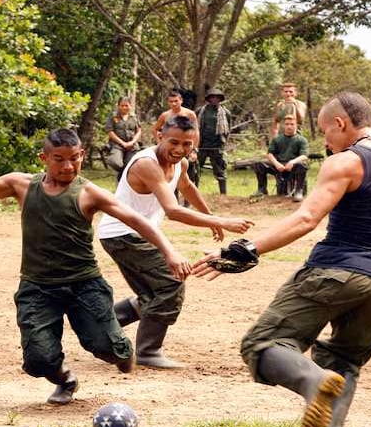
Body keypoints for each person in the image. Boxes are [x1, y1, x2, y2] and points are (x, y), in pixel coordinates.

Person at [193, 60, 371, 427]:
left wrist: (245, 249)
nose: (324, 140)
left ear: (343, 123)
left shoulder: (345, 162)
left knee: (263, 345)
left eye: (327, 130)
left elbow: (305, 219)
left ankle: (312, 383)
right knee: (344, 363)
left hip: (333, 272)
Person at [0, 128, 191, 404]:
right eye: (59, 160)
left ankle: (121, 352)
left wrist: (169, 251)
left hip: (84, 285)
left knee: (108, 347)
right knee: (38, 359)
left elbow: (137, 220)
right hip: (37, 287)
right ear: (43, 158)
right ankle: (65, 379)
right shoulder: (21, 185)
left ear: (82, 156)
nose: (68, 167)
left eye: (74, 159)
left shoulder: (89, 193)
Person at [98, 116, 254, 369]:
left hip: (137, 234)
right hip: (123, 234)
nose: (180, 149)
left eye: (187, 144)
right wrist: (223, 221)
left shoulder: (179, 163)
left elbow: (187, 187)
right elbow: (172, 210)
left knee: (154, 291)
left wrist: (211, 218)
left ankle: (101, 324)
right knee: (171, 283)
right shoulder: (147, 164)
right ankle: (148, 351)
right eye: (174, 142)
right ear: (159, 136)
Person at [252, 115, 309, 201]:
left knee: (302, 165)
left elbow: (304, 156)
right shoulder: (277, 139)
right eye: (287, 124)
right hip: (279, 166)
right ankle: (262, 189)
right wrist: (276, 164)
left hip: (293, 166)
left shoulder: (301, 140)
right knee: (259, 164)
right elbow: (270, 154)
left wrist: (293, 162)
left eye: (292, 124)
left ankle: (298, 191)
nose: (289, 126)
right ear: (283, 125)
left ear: (296, 126)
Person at [152, 89, 200, 186]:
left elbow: (196, 132)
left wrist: (194, 150)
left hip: (186, 146)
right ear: (168, 102)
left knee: (190, 171)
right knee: (170, 172)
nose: (174, 104)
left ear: (181, 101)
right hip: (170, 148)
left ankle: (188, 199)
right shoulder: (165, 115)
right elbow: (155, 129)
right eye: (171, 101)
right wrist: (160, 143)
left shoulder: (189, 114)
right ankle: (173, 195)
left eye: (176, 101)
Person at [196, 88, 232, 194]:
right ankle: (193, 192)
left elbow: (228, 130)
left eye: (217, 97)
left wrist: (223, 143)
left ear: (220, 99)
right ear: (208, 99)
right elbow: (194, 127)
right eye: (212, 97)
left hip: (217, 146)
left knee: (220, 170)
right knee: (195, 170)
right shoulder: (200, 111)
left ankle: (223, 195)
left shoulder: (225, 113)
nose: (215, 99)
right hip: (201, 145)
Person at [104, 97, 142, 181]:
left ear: (130, 106)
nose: (124, 107)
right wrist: (122, 143)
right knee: (114, 162)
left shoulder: (134, 117)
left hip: (132, 146)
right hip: (117, 145)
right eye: (122, 105)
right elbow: (110, 132)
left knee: (131, 164)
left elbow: (139, 131)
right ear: (118, 106)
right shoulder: (113, 116)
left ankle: (124, 179)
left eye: (126, 105)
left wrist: (132, 142)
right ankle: (123, 173)